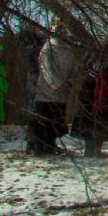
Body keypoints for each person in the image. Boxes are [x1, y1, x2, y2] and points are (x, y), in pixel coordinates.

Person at [29, 20, 77, 156]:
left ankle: (50, 145)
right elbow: (46, 69)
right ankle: (40, 147)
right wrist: (57, 84)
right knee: (43, 121)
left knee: (55, 122)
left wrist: (69, 83)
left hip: (62, 94)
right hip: (46, 92)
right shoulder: (47, 48)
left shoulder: (69, 50)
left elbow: (74, 70)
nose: (62, 34)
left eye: (64, 31)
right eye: (59, 31)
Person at [72, 37, 108, 157]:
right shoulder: (100, 52)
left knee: (103, 120)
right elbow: (85, 67)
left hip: (106, 90)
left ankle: (97, 149)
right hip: (93, 89)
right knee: (90, 120)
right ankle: (90, 150)